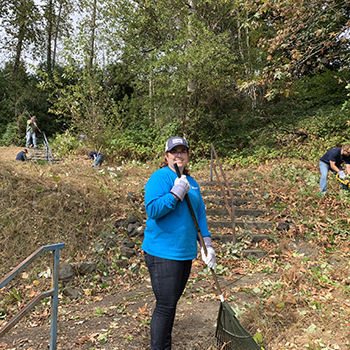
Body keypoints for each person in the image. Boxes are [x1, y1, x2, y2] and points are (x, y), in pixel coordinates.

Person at [142, 136, 216, 350]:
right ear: (166, 156)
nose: (179, 155)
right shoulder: (159, 177)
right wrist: (175, 193)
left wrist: (207, 245)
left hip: (185, 253)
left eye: (183, 151)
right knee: (165, 306)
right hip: (162, 252)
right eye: (174, 151)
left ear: (188, 155)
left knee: (171, 304)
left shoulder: (192, 183)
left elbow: (199, 215)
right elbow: (153, 210)